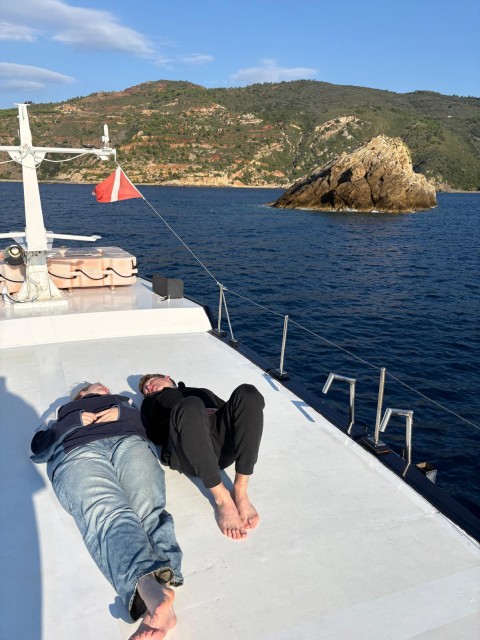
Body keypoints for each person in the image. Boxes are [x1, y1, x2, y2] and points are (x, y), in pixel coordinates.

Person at [30, 382, 183, 640]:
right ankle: (153, 591)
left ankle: (158, 597)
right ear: (81, 394)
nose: (102, 385)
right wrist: (73, 421)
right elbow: (37, 449)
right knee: (109, 514)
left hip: (129, 442)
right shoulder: (63, 409)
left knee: (148, 510)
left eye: (104, 386)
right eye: (92, 385)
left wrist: (122, 414)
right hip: (78, 450)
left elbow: (149, 427)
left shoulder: (123, 402)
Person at [139, 374, 264, 541]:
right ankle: (222, 498)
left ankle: (240, 490)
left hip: (221, 446)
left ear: (167, 378)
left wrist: (216, 411)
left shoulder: (201, 391)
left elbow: (235, 411)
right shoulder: (151, 401)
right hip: (189, 451)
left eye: (150, 382)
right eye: (145, 390)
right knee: (190, 405)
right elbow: (153, 433)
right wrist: (194, 415)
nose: (148, 388)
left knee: (247, 392)